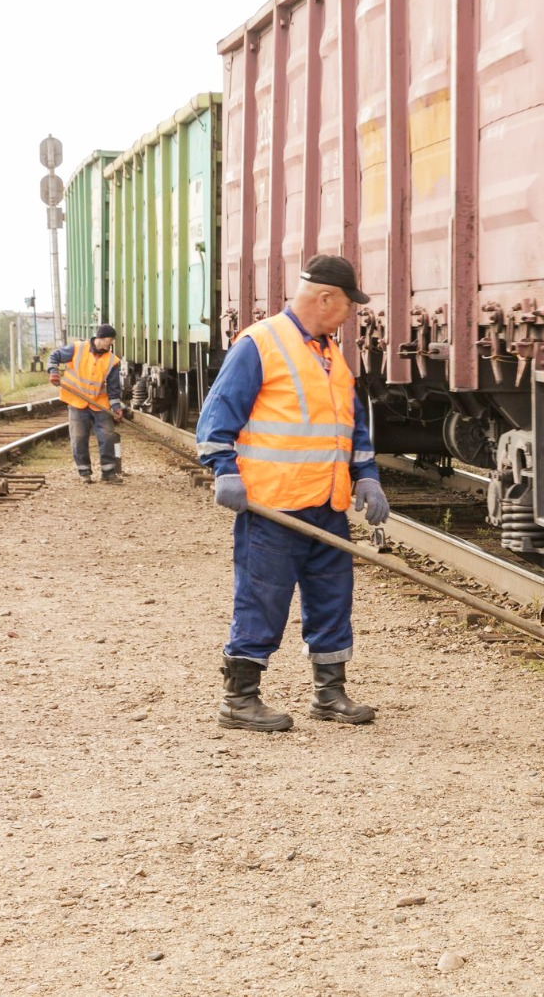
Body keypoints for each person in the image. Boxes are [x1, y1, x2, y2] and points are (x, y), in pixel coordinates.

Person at [195, 254, 392, 733]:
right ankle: (239, 700)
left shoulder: (331, 355)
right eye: (349, 305)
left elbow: (350, 423)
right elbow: (216, 418)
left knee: (332, 598)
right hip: (273, 506)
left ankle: (329, 694)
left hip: (327, 503)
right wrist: (224, 469)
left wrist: (365, 474)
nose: (351, 315)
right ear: (325, 298)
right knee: (261, 600)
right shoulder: (260, 343)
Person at [48, 324, 125, 483]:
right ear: (99, 338)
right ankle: (84, 473)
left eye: (111, 342)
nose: (109, 345)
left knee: (107, 436)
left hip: (100, 404)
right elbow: (54, 355)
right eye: (108, 341)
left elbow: (114, 388)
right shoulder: (77, 348)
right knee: (78, 438)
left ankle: (108, 473)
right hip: (77, 402)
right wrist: (53, 372)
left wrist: (116, 408)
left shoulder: (112, 360)